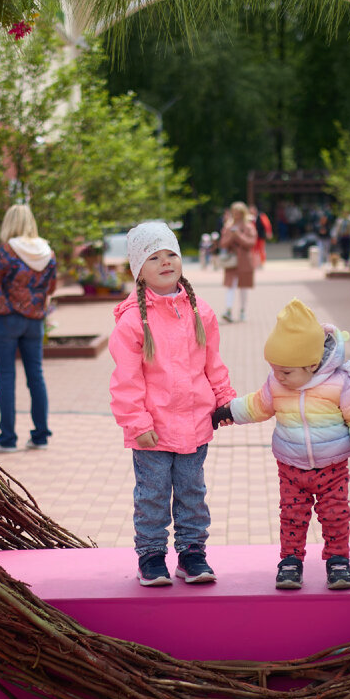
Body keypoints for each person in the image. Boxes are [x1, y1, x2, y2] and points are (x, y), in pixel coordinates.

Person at [212, 299, 350, 590]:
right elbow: (258, 405)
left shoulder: (339, 384)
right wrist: (230, 411)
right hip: (290, 468)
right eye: (275, 369)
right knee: (291, 516)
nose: (278, 376)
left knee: (335, 514)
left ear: (312, 364)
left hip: (332, 467)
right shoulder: (277, 385)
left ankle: (338, 561)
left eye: (286, 372)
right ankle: (290, 561)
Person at [109, 221, 237, 587]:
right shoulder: (133, 322)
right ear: (138, 270)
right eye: (154, 257)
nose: (165, 262)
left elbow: (213, 363)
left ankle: (192, 553)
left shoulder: (201, 313)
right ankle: (150, 556)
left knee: (192, 493)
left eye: (171, 254)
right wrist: (137, 423)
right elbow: (126, 380)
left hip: (196, 423)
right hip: (152, 428)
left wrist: (224, 401)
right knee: (152, 495)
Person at [0, 204, 56, 453]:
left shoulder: (7, 250)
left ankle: (8, 439)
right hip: (34, 319)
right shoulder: (47, 251)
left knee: (6, 377)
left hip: (6, 318)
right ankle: (40, 436)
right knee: (36, 376)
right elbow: (52, 287)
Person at [218, 202, 258, 322]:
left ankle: (243, 310)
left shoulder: (249, 226)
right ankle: (228, 310)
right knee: (231, 286)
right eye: (234, 213)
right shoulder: (228, 226)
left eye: (238, 213)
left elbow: (251, 242)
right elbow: (223, 243)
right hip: (232, 261)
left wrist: (238, 236)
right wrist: (231, 236)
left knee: (243, 287)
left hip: (245, 261)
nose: (236, 216)